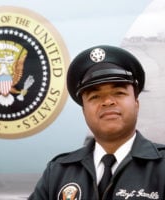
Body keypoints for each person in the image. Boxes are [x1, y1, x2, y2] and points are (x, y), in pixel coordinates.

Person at [28, 45, 165, 200]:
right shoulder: (58, 172)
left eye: (119, 93)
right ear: (84, 111)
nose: (107, 101)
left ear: (136, 103)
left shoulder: (161, 167)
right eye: (94, 96)